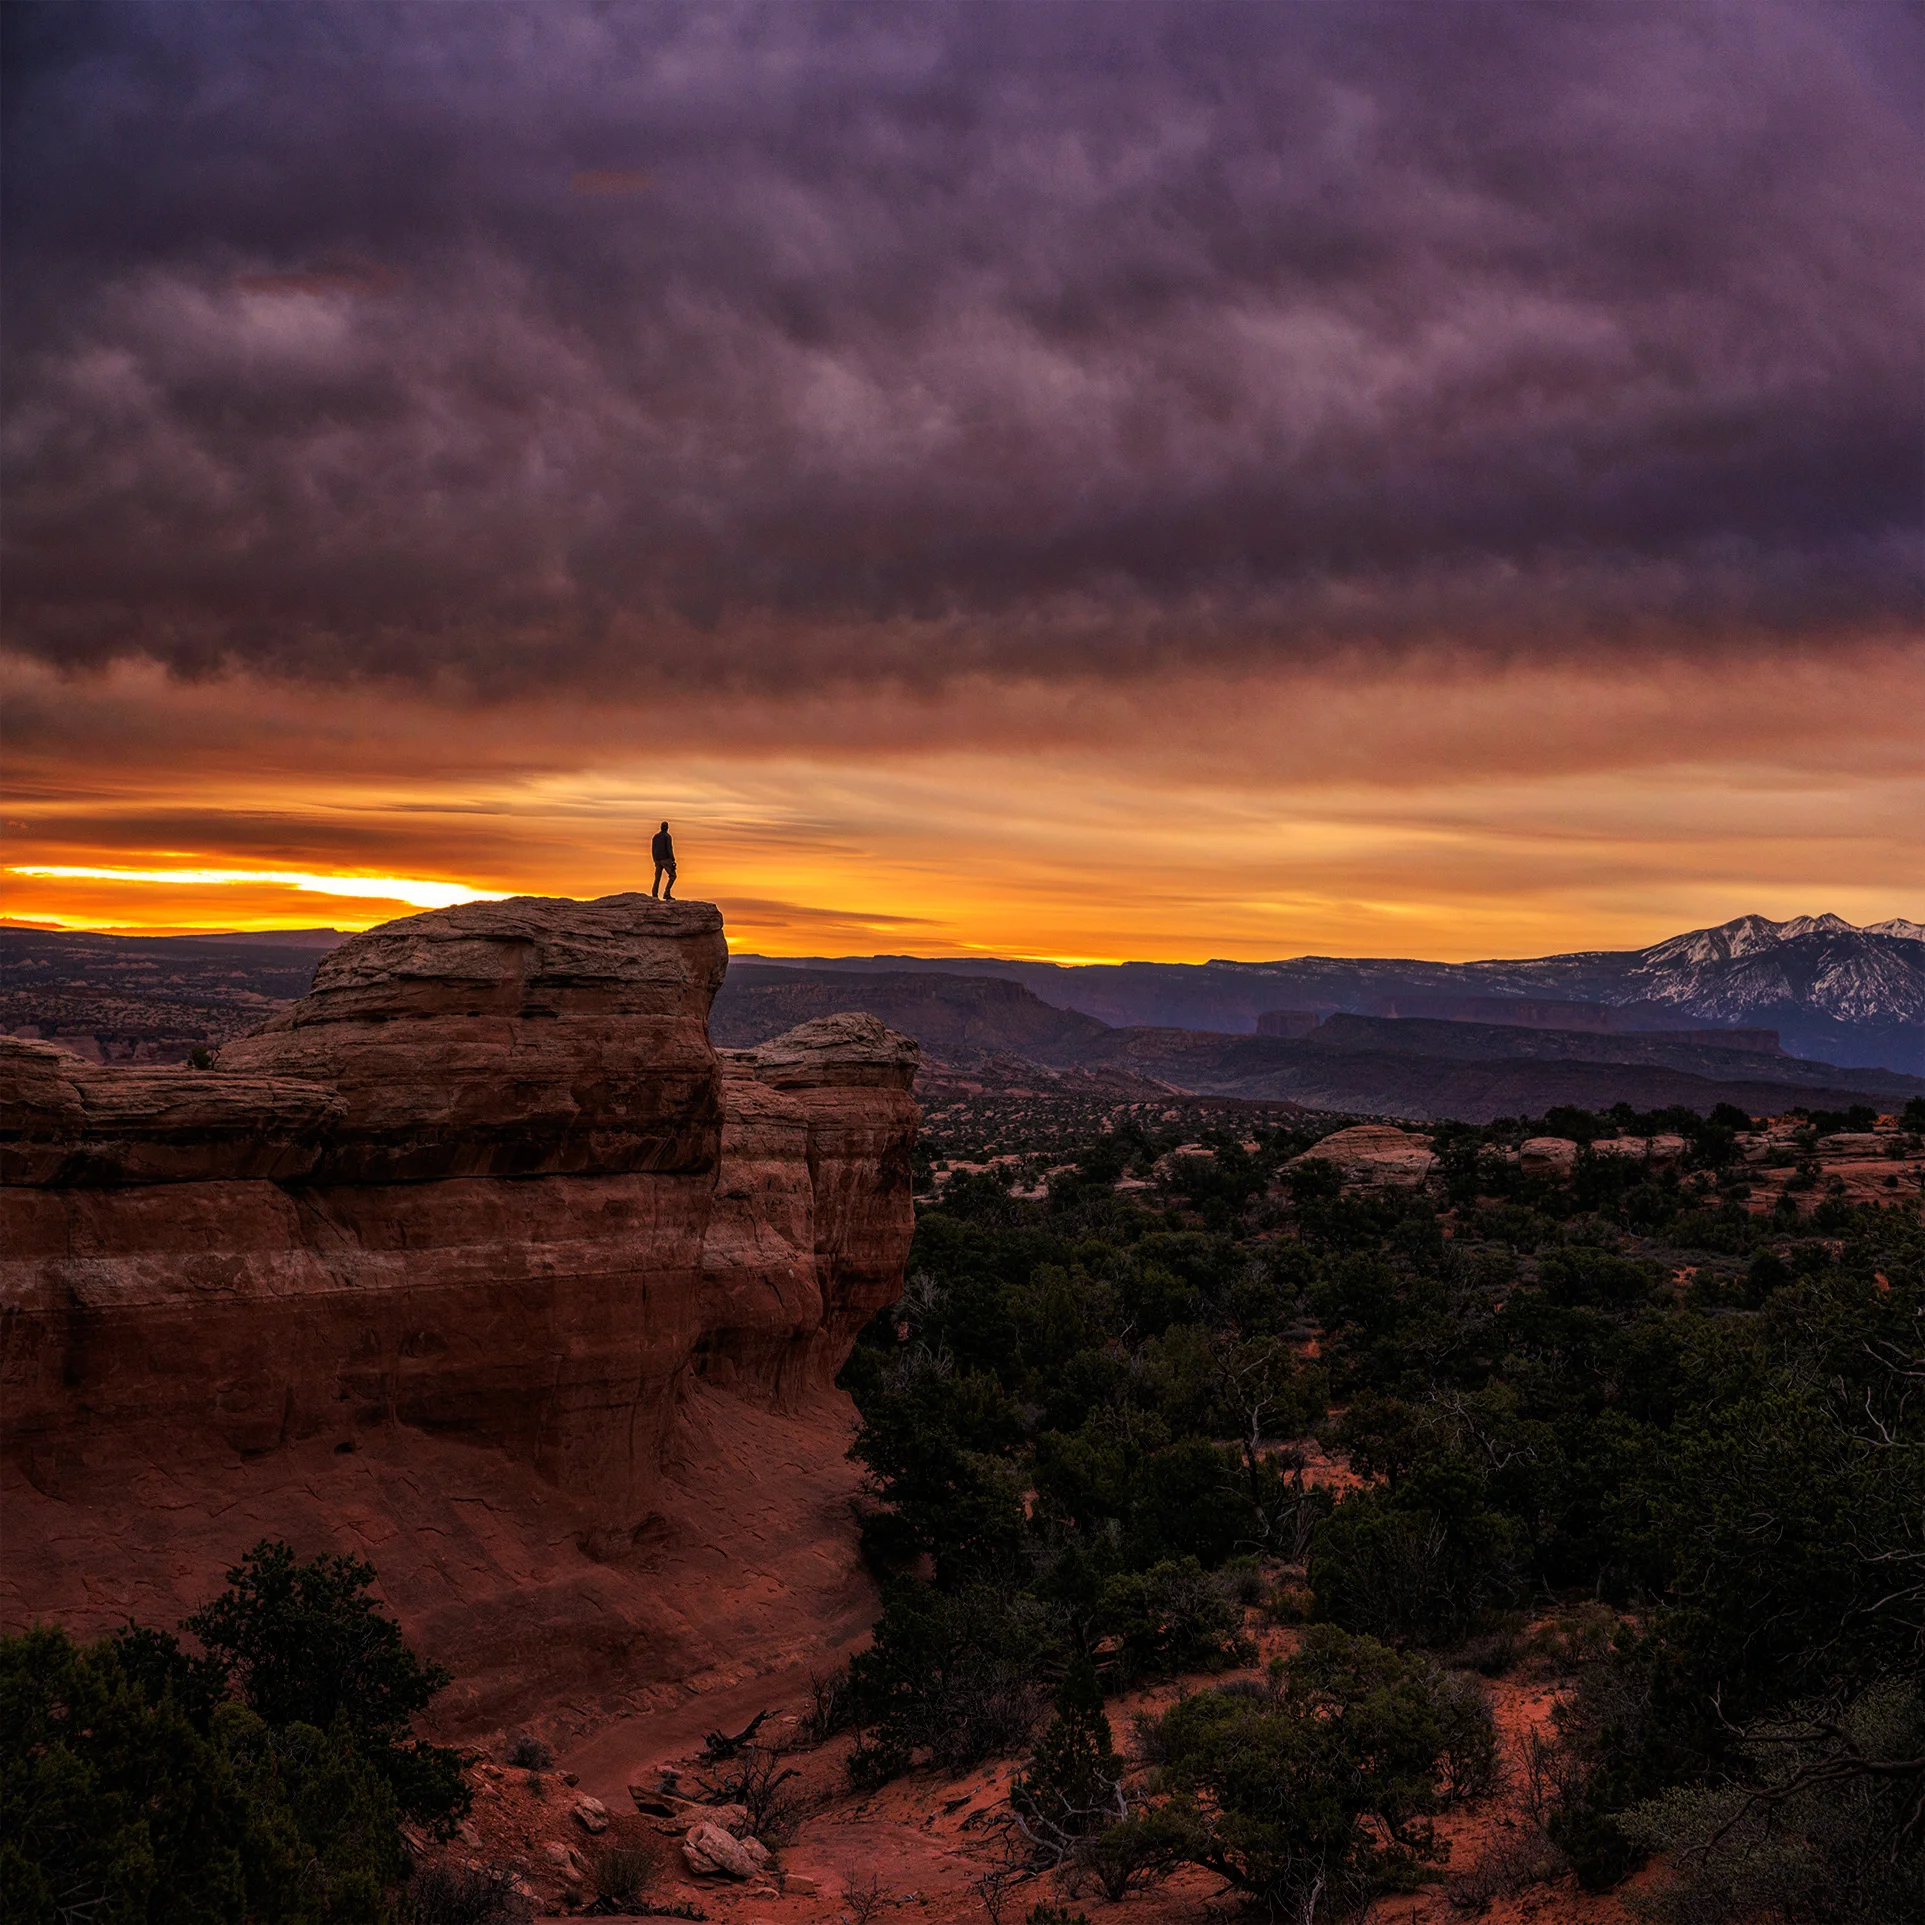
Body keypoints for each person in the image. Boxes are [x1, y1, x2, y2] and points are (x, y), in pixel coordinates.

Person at [650, 821, 676, 899]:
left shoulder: (655, 837)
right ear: (667, 828)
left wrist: (654, 859)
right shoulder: (667, 836)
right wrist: (672, 859)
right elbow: (669, 848)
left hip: (657, 860)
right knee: (673, 876)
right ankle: (666, 893)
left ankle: (654, 894)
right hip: (665, 859)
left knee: (657, 878)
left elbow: (653, 849)